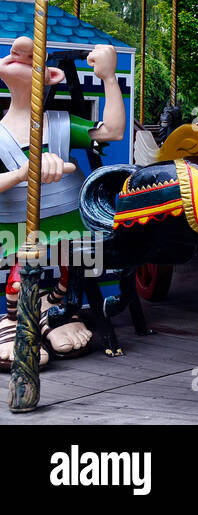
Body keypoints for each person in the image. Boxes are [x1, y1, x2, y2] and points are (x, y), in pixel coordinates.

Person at [0, 37, 125, 368]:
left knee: (75, 263)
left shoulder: (61, 124)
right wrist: (22, 173)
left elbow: (112, 131)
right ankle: (17, 317)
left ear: (51, 76)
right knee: (18, 268)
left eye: (32, 58)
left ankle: (54, 309)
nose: (20, 50)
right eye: (14, 54)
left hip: (69, 223)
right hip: (13, 226)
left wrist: (109, 78)